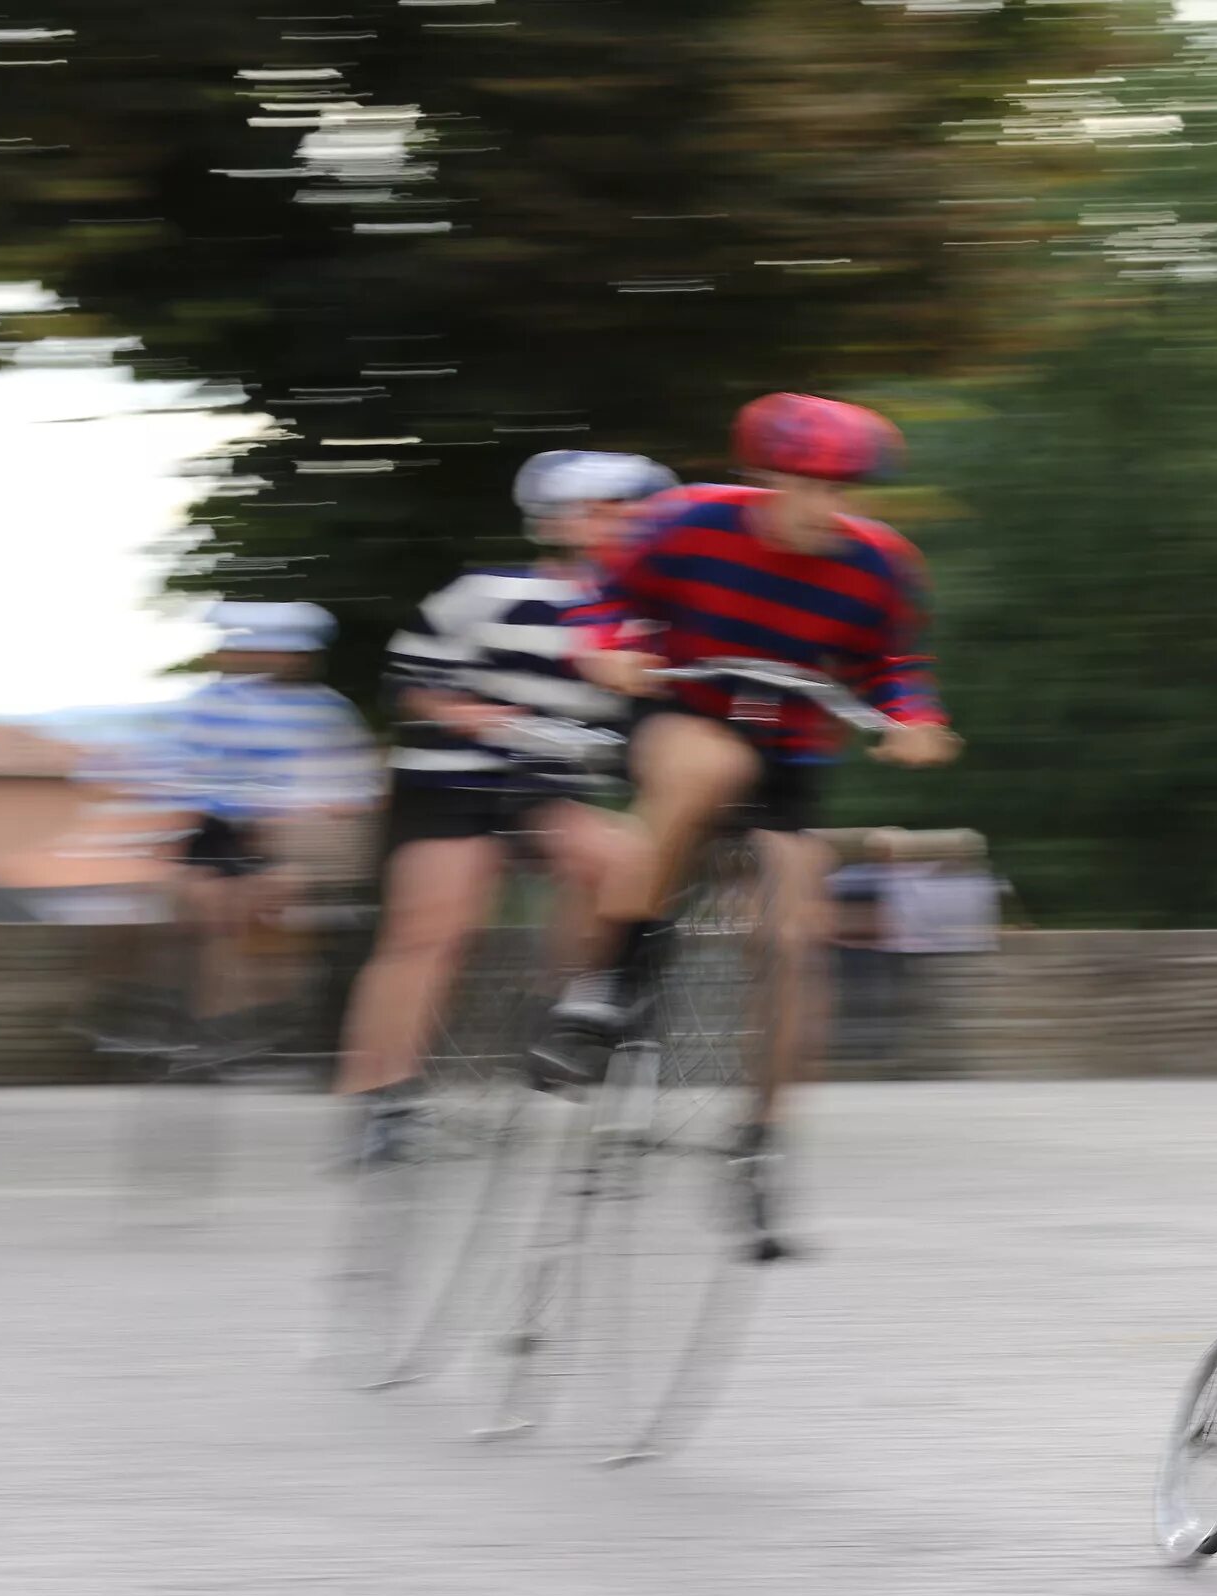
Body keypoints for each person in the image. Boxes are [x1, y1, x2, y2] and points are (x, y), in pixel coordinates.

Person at [536, 394, 962, 1249]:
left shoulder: (880, 564)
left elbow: (894, 665)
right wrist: (607, 649)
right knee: (708, 766)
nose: (825, 506)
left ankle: (759, 1140)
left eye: (844, 488)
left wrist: (912, 721)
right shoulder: (686, 522)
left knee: (795, 932)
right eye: (805, 485)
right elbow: (604, 597)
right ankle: (607, 986)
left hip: (793, 749)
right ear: (763, 477)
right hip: (683, 713)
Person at [331, 450, 672, 1161]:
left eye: (638, 511)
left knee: (626, 863)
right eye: (610, 510)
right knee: (434, 930)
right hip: (452, 778)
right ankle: (380, 1102)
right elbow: (412, 685)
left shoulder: (649, 619)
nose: (628, 525)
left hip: (549, 784)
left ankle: (573, 1012)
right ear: (562, 521)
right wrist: (490, 720)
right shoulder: (485, 591)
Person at [162, 601, 380, 1045]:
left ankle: (252, 1019)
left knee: (261, 900)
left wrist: (294, 811)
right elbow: (182, 774)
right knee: (205, 903)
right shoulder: (210, 705)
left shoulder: (325, 711)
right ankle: (217, 1027)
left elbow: (355, 791)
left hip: (294, 840)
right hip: (222, 833)